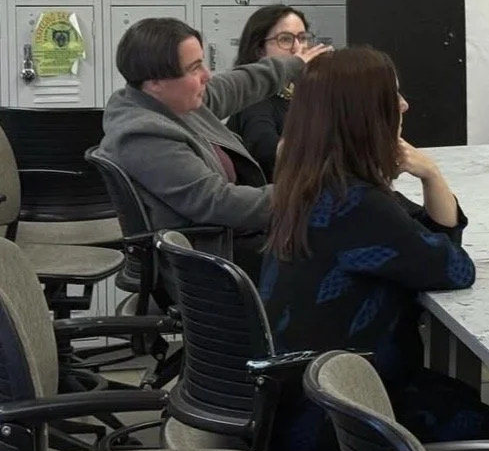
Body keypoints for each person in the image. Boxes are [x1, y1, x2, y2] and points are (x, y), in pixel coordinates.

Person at [259, 46, 489, 451]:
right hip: (337, 409)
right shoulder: (358, 206)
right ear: (364, 113)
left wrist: (430, 181)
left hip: (296, 393)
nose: (406, 105)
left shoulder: (314, 183)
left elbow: (426, 236)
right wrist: (432, 174)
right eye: (394, 96)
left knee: (457, 397)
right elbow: (454, 269)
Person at [99, 17, 329, 279]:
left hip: (229, 242)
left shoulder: (169, 101)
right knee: (335, 255)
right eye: (194, 68)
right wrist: (309, 195)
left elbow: (237, 85)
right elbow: (218, 203)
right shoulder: (143, 135)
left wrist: (295, 64)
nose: (207, 75)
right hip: (210, 260)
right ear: (155, 82)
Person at [227, 4, 314, 179]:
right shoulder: (254, 99)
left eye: (302, 38)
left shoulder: (300, 91)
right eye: (285, 39)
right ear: (259, 50)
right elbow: (268, 151)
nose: (297, 48)